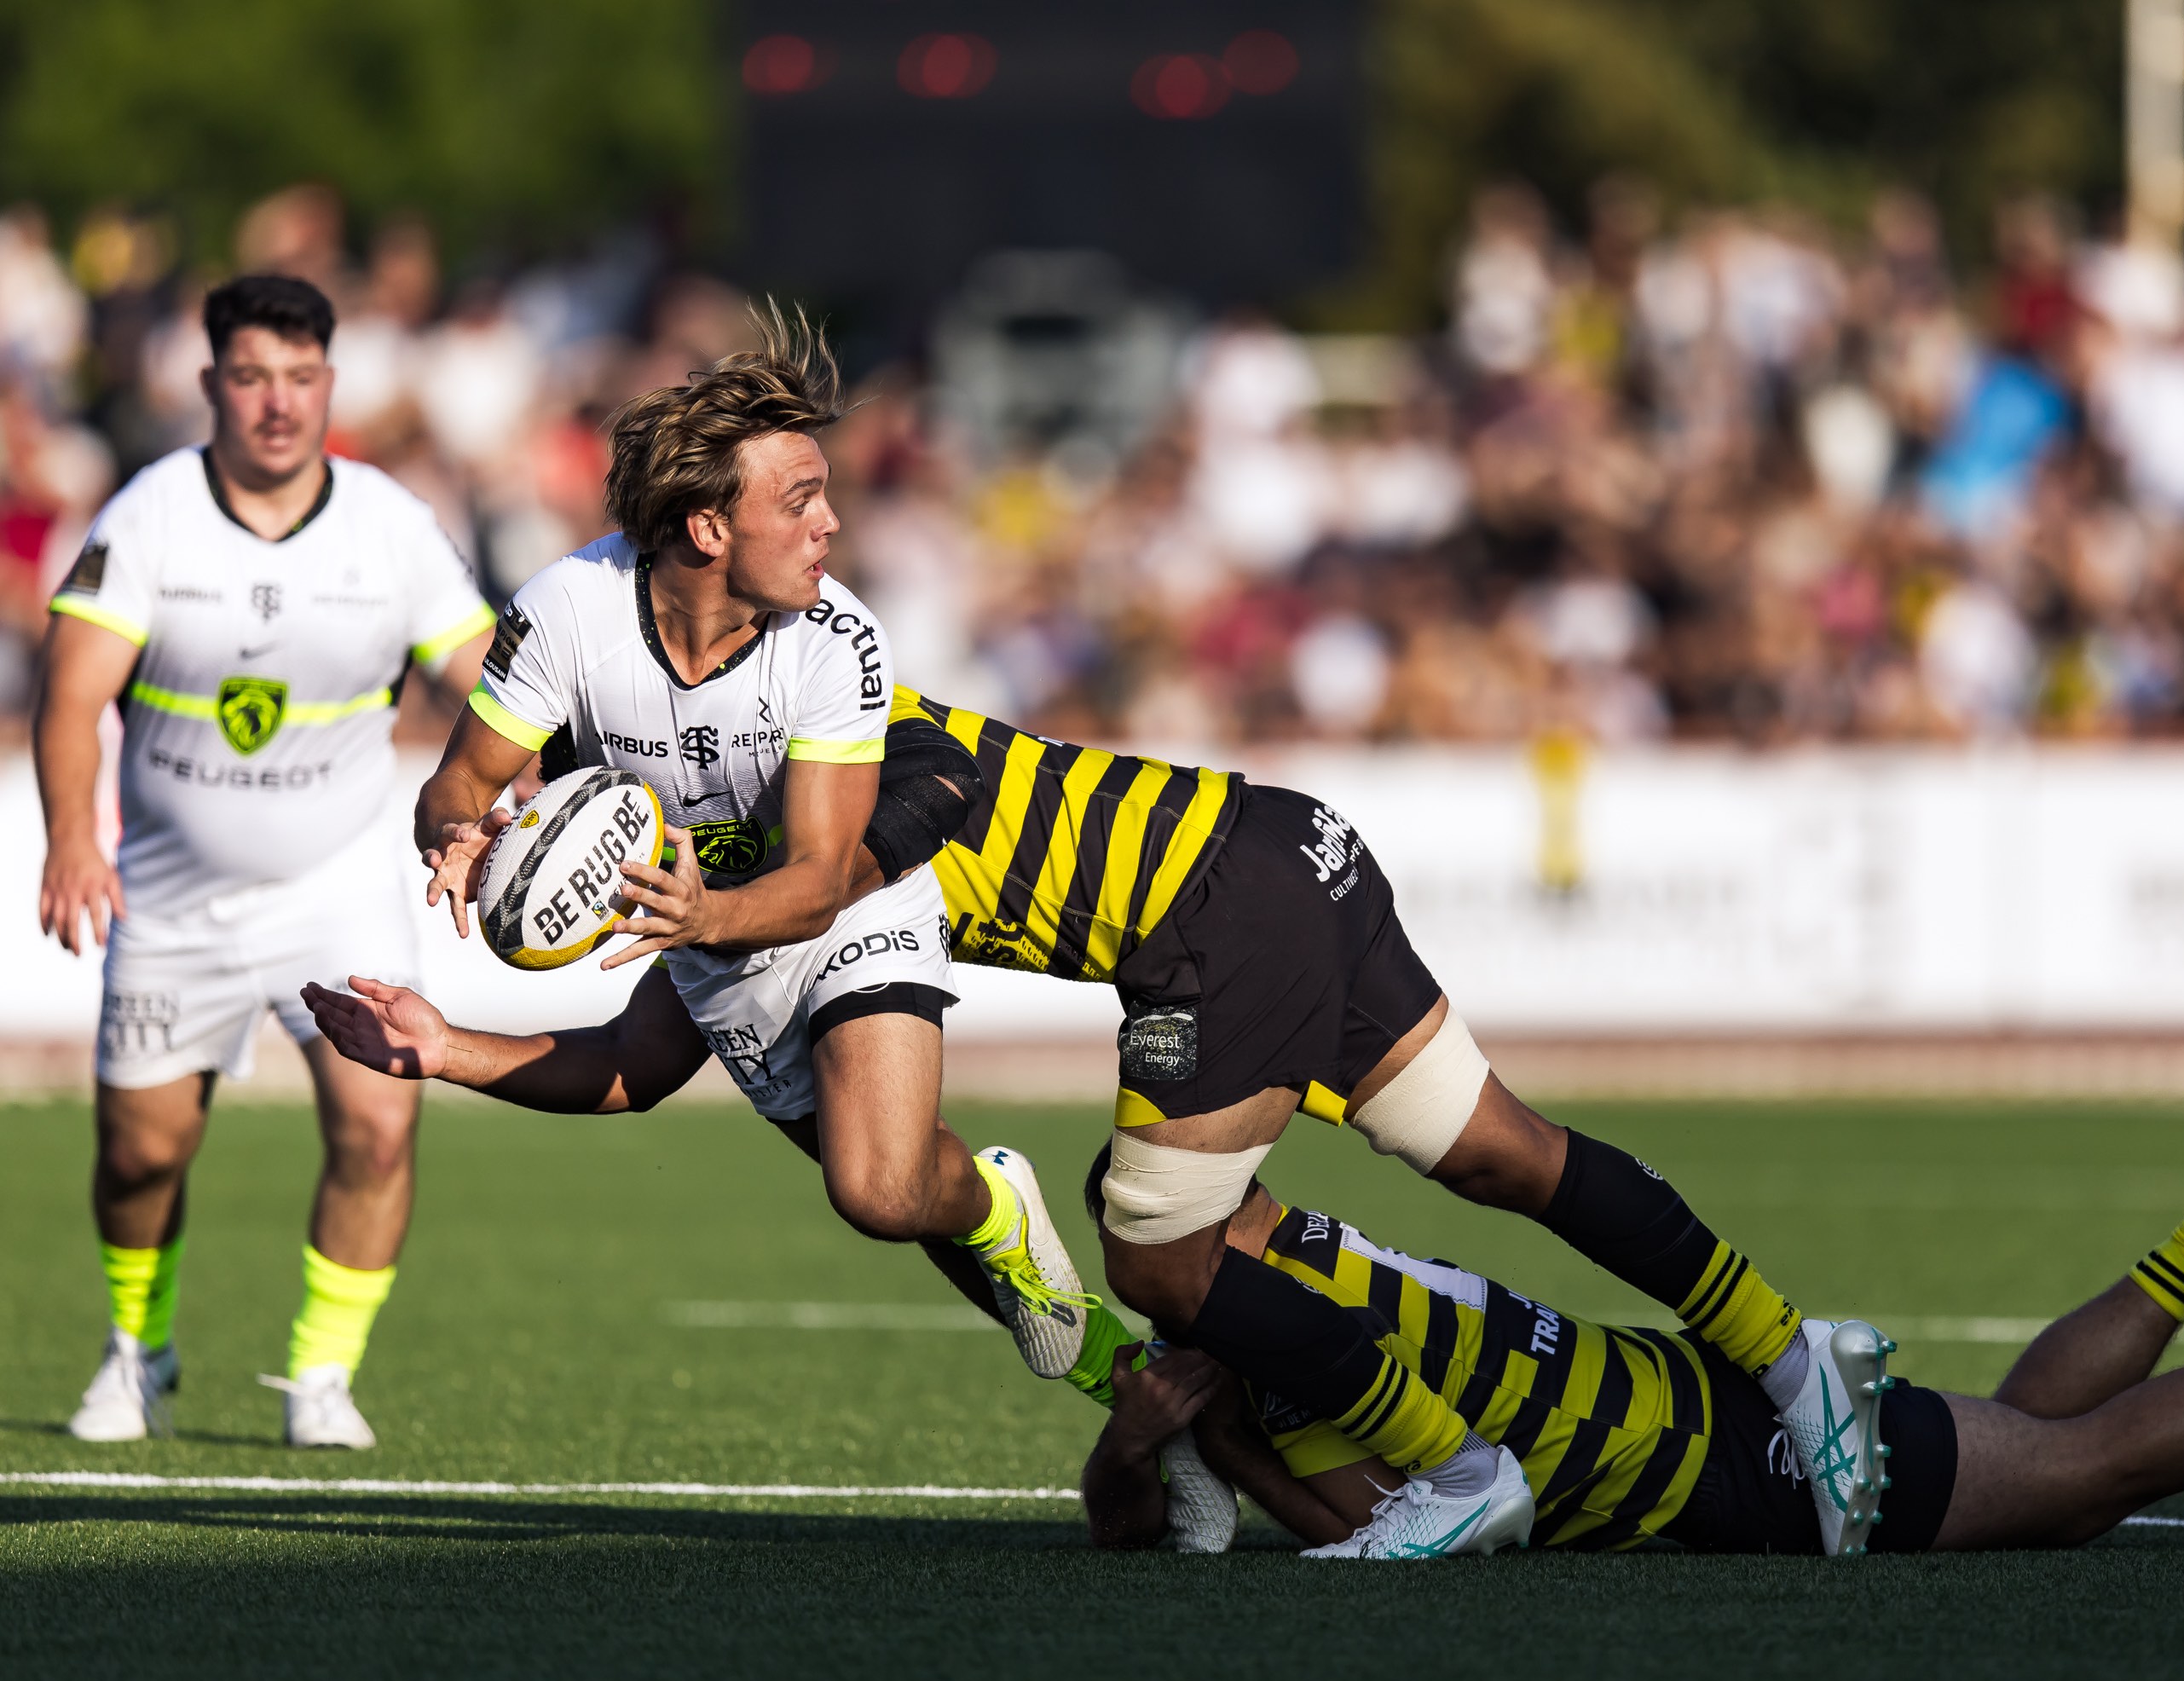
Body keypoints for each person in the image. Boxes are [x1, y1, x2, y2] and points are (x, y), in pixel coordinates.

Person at [874, 688, 1852, 1557]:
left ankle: (1462, 1475)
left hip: (1205, 919)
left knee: (1157, 1263)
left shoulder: (775, 728)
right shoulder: (805, 673)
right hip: (1284, 842)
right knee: (1506, 1153)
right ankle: (1795, 1360)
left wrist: (715, 920)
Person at [388, 310, 1087, 1374]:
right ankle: (1129, 1382)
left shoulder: (836, 632)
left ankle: (997, 1201)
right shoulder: (569, 607)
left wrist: (699, 919)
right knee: (887, 1193)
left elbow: (816, 880)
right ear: (708, 530)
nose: (832, 523)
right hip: (701, 921)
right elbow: (459, 783)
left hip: (839, 903)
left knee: (878, 1187)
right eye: (801, 497)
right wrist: (462, 837)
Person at [1081, 1144, 2184, 1555]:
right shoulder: (1301, 1257)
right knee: (2030, 1450)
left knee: (2077, 1477)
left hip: (1714, 1463)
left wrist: (1219, 1439)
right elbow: (1142, 1529)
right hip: (1694, 1396)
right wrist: (1141, 1441)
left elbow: (1383, 1526)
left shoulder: (1294, 1332)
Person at [37, 274, 496, 1448]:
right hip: (174, 900)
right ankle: (139, 1350)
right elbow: (72, 691)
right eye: (250, 377)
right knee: (142, 1155)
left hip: (337, 893)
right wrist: (75, 839)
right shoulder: (146, 517)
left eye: (299, 378)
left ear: (330, 384)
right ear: (210, 386)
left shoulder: (390, 525)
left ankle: (321, 1377)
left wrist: (528, 778)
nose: (276, 403)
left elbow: (487, 677)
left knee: (380, 1126)